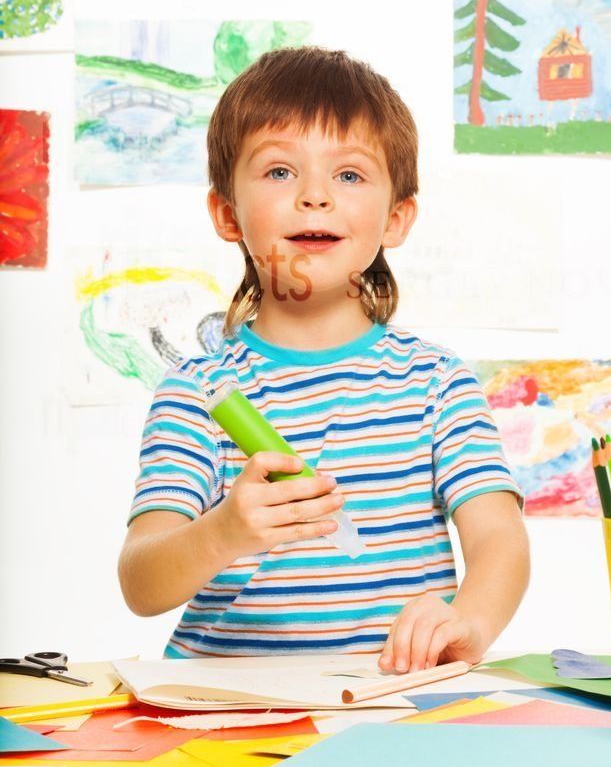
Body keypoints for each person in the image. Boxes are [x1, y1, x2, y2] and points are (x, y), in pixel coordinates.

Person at [118, 46, 530, 671]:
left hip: (393, 700)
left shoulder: (436, 383)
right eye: (280, 171)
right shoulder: (197, 393)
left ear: (396, 219)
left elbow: (500, 537)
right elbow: (140, 583)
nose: (315, 196)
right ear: (227, 214)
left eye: (349, 175)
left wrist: (470, 619)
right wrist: (224, 530)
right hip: (227, 705)